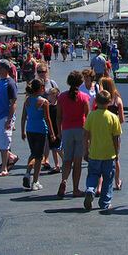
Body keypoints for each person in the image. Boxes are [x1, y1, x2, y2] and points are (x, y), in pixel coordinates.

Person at [83, 89, 122, 211]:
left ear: (96, 101)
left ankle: (90, 189)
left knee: (93, 174)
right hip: (108, 154)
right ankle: (105, 202)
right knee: (108, 179)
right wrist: (116, 153)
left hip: (94, 153)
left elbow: (86, 135)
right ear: (109, 102)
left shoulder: (91, 116)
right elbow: (116, 137)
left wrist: (86, 150)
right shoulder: (113, 117)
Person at [56, 70, 90, 198]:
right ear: (80, 82)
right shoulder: (83, 97)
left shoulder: (62, 97)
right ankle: (75, 189)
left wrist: (59, 132)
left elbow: (58, 117)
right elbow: (88, 117)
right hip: (80, 130)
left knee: (66, 160)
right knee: (77, 161)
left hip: (66, 130)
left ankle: (64, 181)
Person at [20, 79, 55, 191]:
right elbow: (47, 118)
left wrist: (22, 131)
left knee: (33, 153)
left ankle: (27, 173)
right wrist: (52, 133)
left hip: (30, 129)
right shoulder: (44, 102)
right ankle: (35, 181)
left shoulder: (27, 101)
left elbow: (23, 117)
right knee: (39, 157)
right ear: (40, 88)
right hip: (40, 130)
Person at [0, 59, 19, 177]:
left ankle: (4, 168)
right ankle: (11, 157)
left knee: (3, 143)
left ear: (5, 69)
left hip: (4, 117)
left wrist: (9, 119)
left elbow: (13, 103)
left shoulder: (10, 83)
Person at [99, 77, 125, 190]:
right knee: (116, 157)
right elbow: (122, 119)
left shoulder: (100, 100)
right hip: (114, 132)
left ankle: (99, 185)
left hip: (101, 130)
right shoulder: (117, 99)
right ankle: (117, 181)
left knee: (99, 157)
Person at [36, 64, 60, 172]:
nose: (42, 73)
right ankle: (46, 159)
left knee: (51, 137)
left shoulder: (51, 83)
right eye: (40, 71)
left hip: (52, 112)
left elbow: (57, 94)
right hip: (40, 112)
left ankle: (52, 160)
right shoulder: (36, 83)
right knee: (45, 137)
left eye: (44, 71)